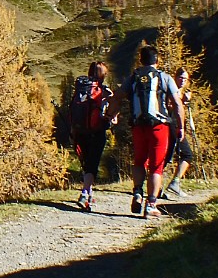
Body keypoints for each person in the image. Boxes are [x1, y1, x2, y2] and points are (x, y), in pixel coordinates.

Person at [112, 45, 184, 220]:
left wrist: (112, 115)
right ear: (157, 60)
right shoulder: (164, 77)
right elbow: (177, 103)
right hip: (159, 127)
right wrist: (180, 126)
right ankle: (151, 205)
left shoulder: (133, 78)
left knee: (139, 161)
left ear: (141, 60)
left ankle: (137, 192)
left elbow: (117, 96)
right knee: (156, 166)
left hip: (138, 126)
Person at [68, 61, 112, 211]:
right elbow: (111, 109)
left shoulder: (81, 88)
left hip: (80, 131)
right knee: (92, 166)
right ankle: (84, 194)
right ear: (102, 75)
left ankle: (89, 194)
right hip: (96, 131)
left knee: (87, 164)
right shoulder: (103, 90)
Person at [162, 67, 194, 200]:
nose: (183, 81)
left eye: (185, 79)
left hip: (175, 126)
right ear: (175, 77)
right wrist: (183, 101)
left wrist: (185, 102)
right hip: (172, 126)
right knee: (187, 154)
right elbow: (170, 107)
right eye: (181, 78)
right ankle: (174, 182)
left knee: (166, 156)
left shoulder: (180, 92)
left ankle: (158, 187)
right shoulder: (171, 91)